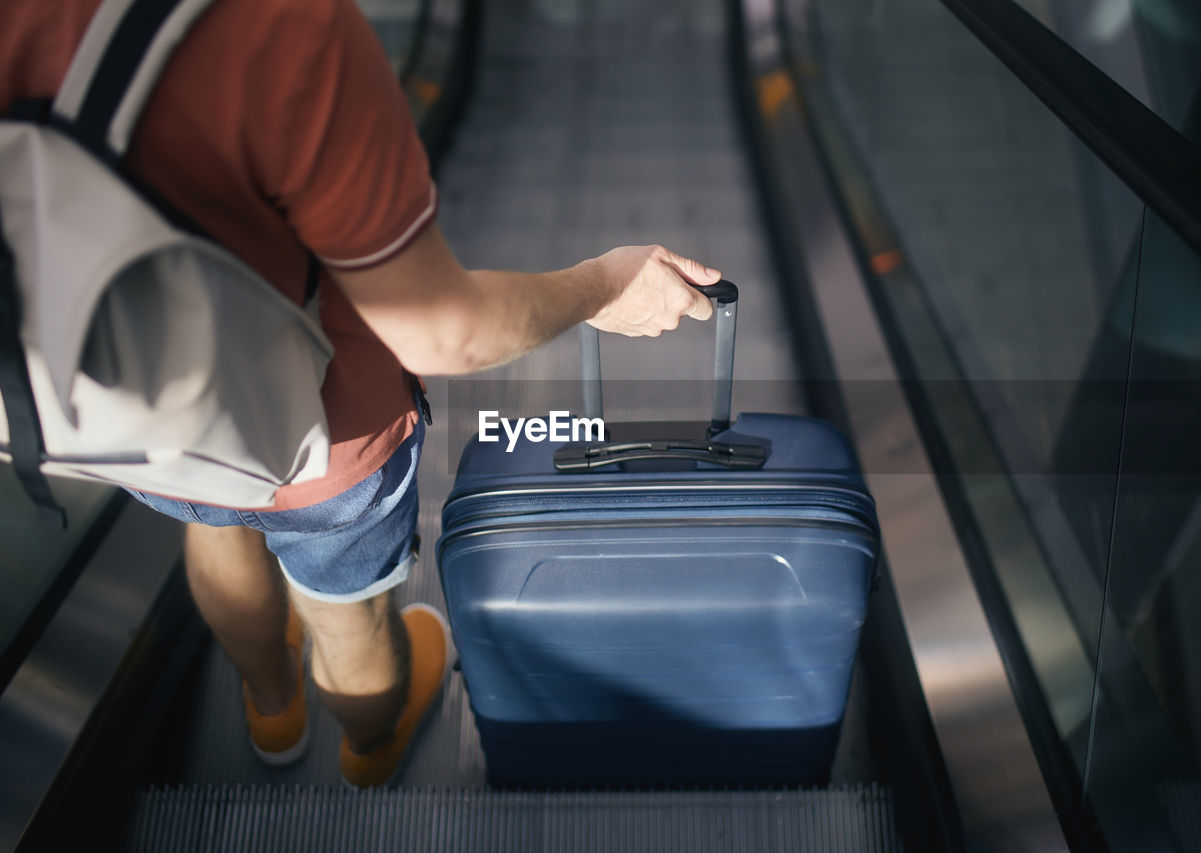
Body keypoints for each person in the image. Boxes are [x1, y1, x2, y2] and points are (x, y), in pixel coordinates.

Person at [1, 0, 719, 786]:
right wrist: (600, 285)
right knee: (349, 609)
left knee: (213, 517)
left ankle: (271, 701)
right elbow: (442, 332)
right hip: (328, 435)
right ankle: (370, 742)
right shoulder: (280, 30)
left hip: (123, 410)